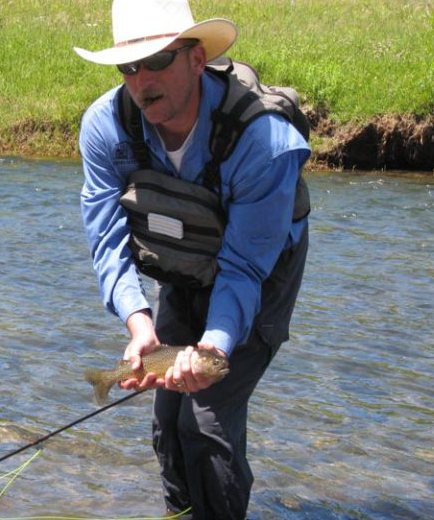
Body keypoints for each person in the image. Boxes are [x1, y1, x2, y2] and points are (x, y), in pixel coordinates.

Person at [74, 0, 310, 518]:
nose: (141, 81)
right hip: (181, 257)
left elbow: (246, 267)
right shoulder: (104, 127)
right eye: (128, 67)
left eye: (157, 60)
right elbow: (107, 237)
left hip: (262, 265)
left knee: (205, 420)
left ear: (197, 59)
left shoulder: (264, 141)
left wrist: (213, 347)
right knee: (168, 420)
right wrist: (139, 325)